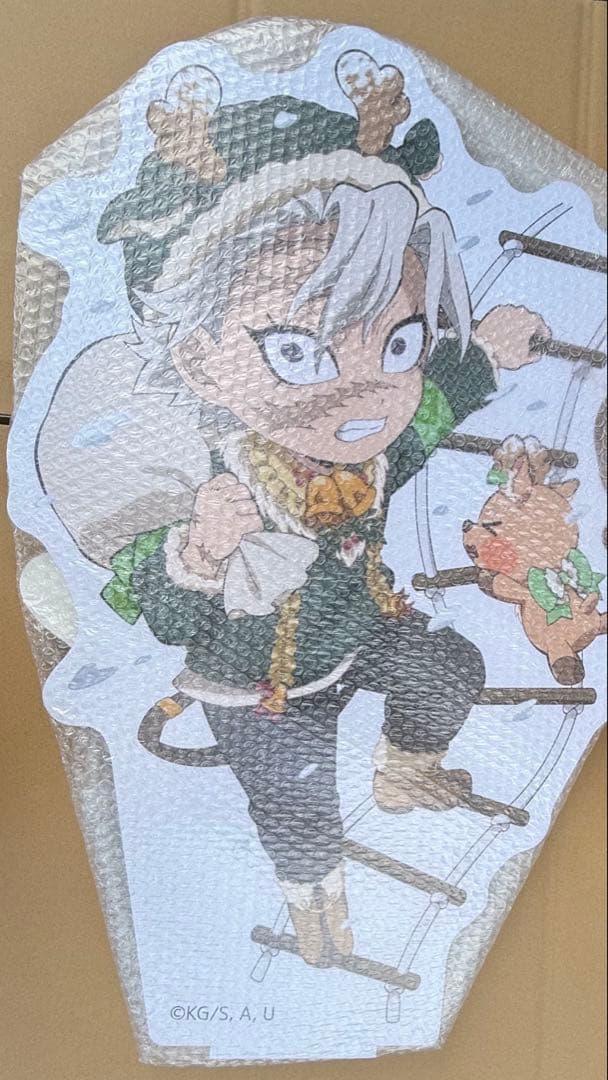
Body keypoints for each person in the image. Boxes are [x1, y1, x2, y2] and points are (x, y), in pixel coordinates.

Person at [92, 53, 550, 965]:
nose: (363, 394)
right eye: (297, 352)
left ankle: (405, 772)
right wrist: (201, 552)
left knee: (448, 665)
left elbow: (423, 418)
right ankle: (317, 914)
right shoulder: (216, 483)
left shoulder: (368, 454)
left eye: (398, 342)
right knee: (300, 804)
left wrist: (483, 354)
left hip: (355, 634)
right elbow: (159, 606)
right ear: (200, 364)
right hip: (255, 687)